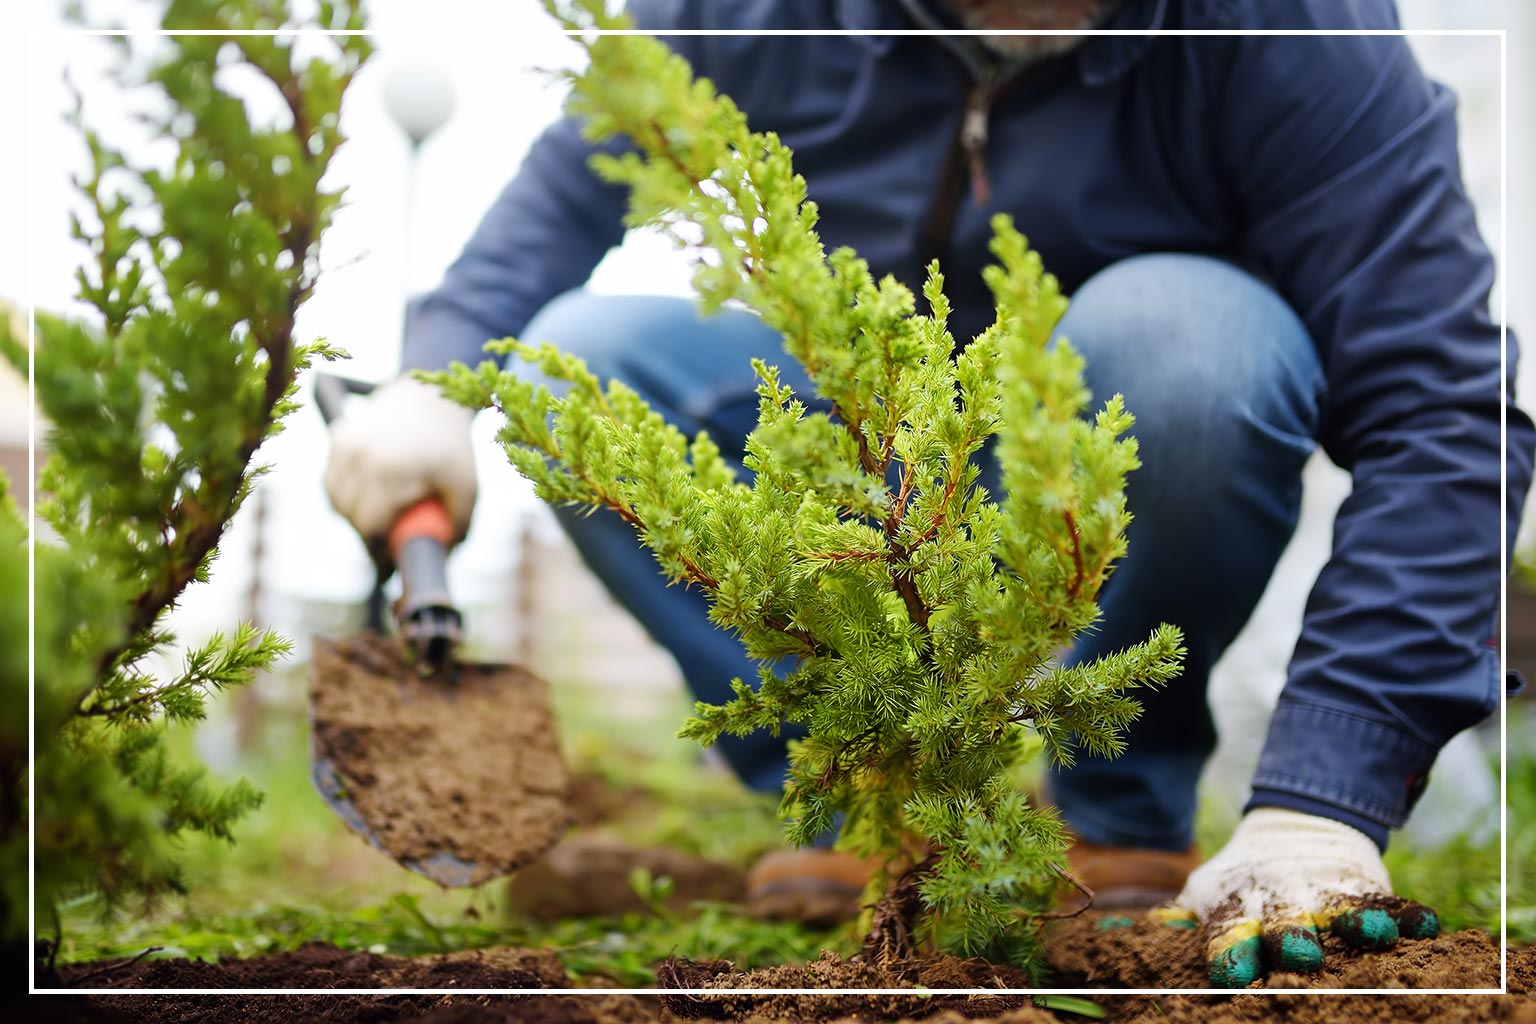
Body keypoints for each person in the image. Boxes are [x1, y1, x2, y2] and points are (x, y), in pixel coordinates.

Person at [323, 0, 1536, 985]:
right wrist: (436, 378)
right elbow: (568, 190)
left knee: (1187, 342)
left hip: (1119, 441)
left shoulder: (1289, 31)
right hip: (876, 444)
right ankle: (868, 794)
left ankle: (1119, 797)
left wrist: (1324, 798)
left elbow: (1443, 409)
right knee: (569, 364)